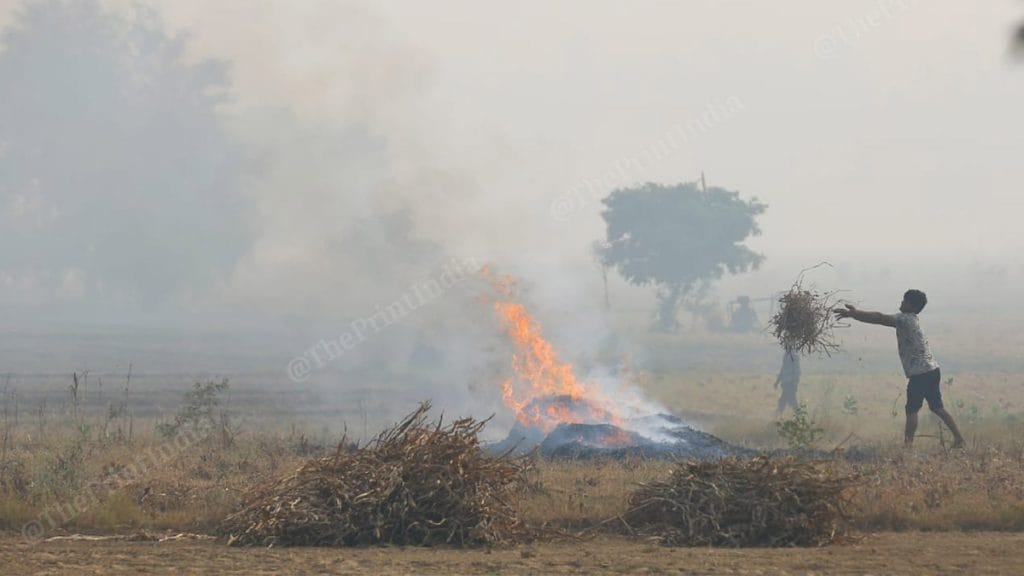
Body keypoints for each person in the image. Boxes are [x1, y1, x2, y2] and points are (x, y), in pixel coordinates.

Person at [834, 289, 964, 448]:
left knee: (912, 409)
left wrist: (855, 314)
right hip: (932, 370)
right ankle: (959, 439)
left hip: (920, 373)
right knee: (937, 407)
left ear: (913, 306)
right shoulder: (913, 319)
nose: (902, 303)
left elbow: (879, 318)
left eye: (905, 301)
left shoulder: (905, 319)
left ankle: (907, 447)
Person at [773, 349, 800, 414]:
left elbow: (797, 371)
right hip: (785, 382)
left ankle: (779, 414)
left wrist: (795, 383)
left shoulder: (794, 356)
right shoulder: (786, 355)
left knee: (790, 401)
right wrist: (777, 381)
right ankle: (779, 414)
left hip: (790, 383)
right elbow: (782, 369)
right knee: (785, 400)